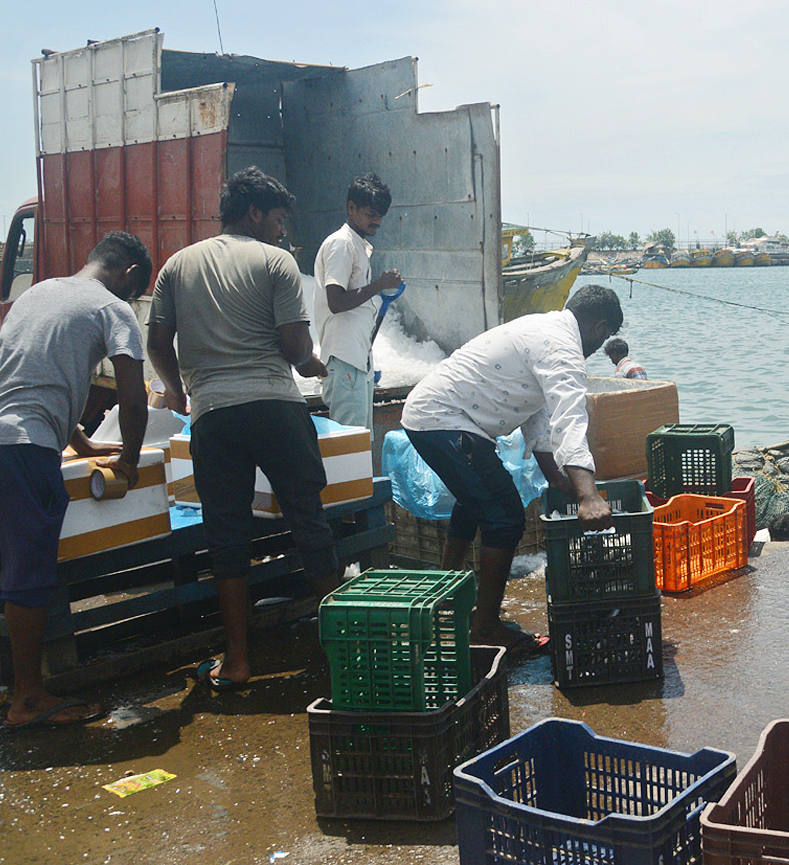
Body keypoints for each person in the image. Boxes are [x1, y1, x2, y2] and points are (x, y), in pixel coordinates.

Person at [147, 166, 339, 690]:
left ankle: (236, 661)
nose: (282, 231)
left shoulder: (177, 266)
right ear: (255, 212)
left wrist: (180, 390)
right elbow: (296, 349)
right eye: (278, 219)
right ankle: (338, 650)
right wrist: (312, 365)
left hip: (213, 415)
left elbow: (158, 343)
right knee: (309, 520)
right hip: (276, 407)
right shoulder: (275, 261)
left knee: (226, 534)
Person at [400, 285, 620, 655]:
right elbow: (570, 419)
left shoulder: (545, 329)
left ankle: (445, 600)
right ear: (600, 328)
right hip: (443, 419)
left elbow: (539, 418)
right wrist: (588, 494)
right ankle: (484, 627)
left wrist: (554, 476)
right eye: (605, 337)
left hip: (448, 418)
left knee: (476, 501)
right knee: (504, 517)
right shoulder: (562, 348)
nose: (599, 346)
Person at [0, 232, 151, 728]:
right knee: (29, 569)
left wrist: (79, 444)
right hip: (23, 448)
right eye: (133, 290)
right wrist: (128, 456)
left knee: (1, 567)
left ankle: (9, 684)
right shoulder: (111, 308)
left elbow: (28, 374)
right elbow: (133, 394)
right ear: (126, 273)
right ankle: (29, 699)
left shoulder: (38, 293)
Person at [312, 173, 403, 431]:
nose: (377, 221)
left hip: (356, 360)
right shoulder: (341, 244)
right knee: (350, 448)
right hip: (344, 360)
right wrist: (379, 285)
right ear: (351, 208)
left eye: (380, 216)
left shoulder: (358, 245)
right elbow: (336, 301)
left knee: (360, 445)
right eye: (371, 214)